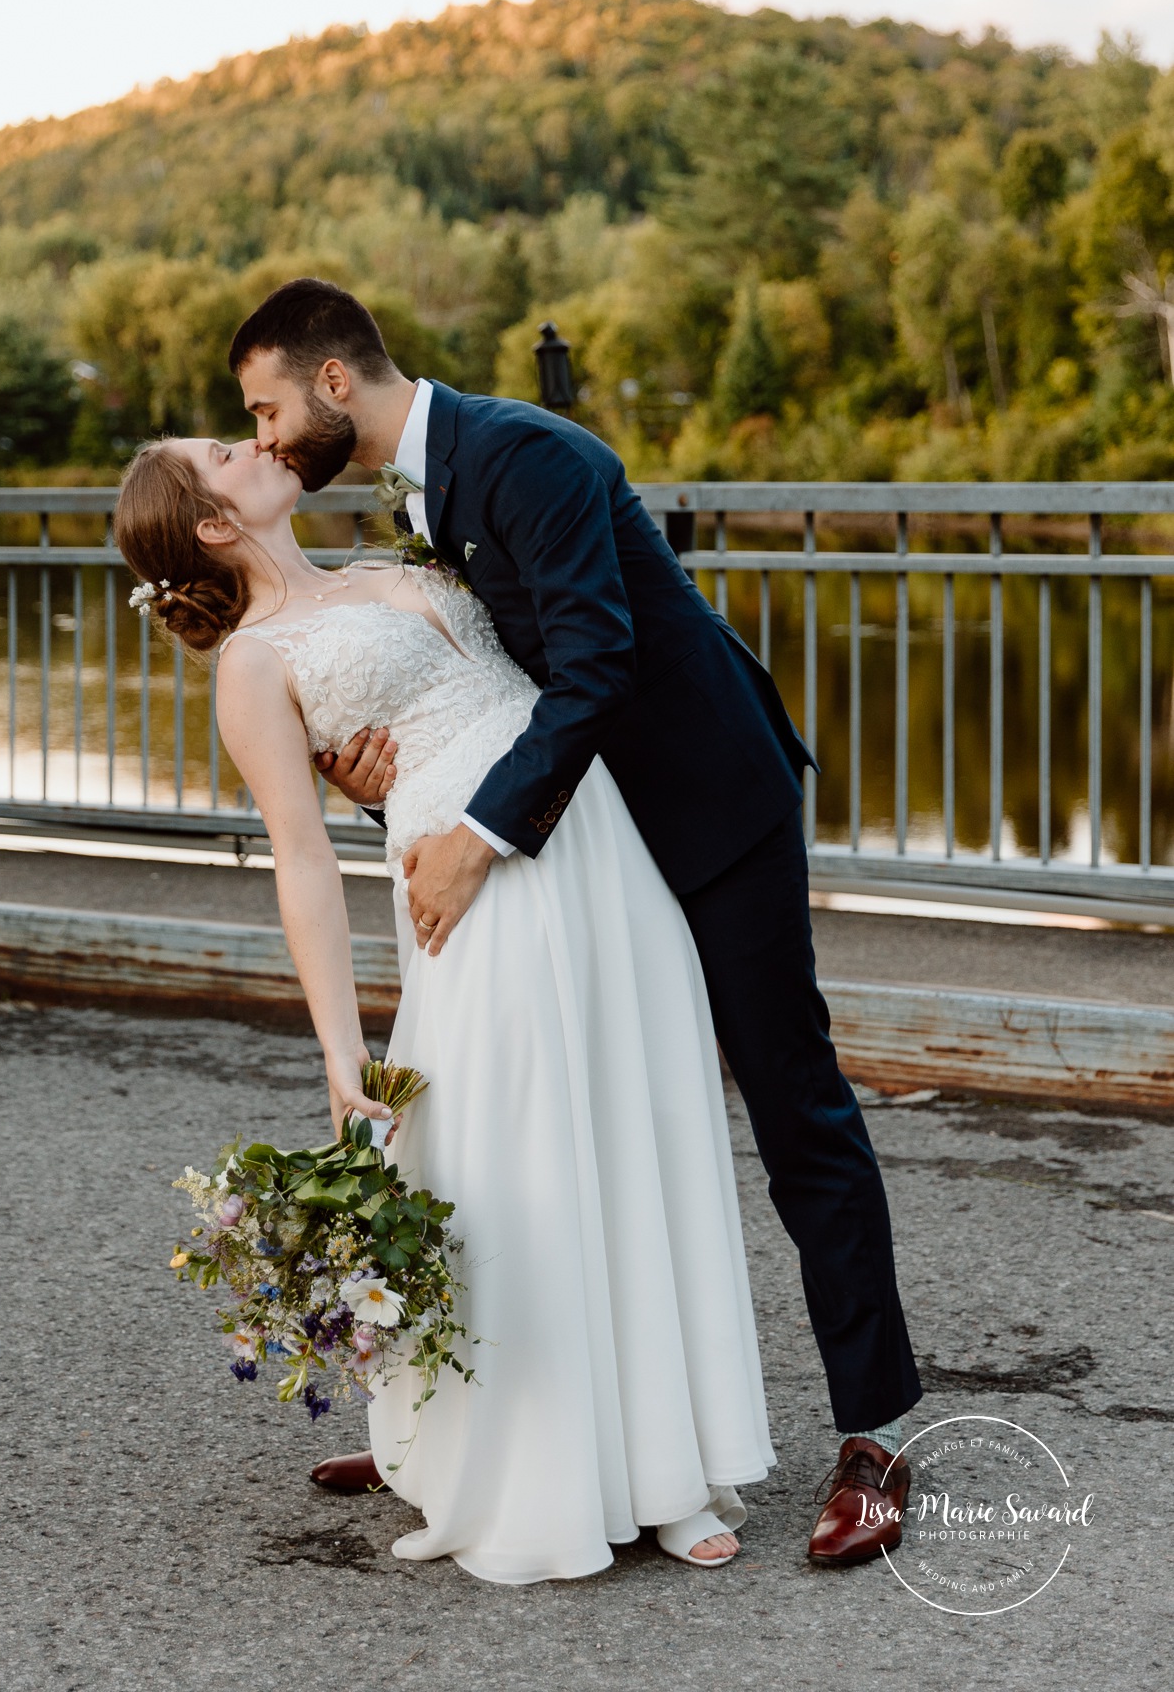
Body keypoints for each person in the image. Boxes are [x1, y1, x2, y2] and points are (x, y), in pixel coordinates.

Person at [228, 278, 920, 1570]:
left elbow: (596, 662)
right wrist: (381, 770)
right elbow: (488, 665)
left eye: (265, 409)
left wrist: (477, 836)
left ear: (333, 383)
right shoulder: (425, 491)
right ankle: (481, 1434)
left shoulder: (525, 452)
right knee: (557, 1122)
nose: (264, 439)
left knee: (791, 1104)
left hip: (704, 810)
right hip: (586, 833)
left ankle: (873, 1439)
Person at [116, 436, 774, 1583]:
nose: (255, 442)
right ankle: (554, 1466)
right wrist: (340, 1046)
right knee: (527, 1154)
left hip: (598, 840)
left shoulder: (398, 557)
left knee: (637, 1120)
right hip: (470, 890)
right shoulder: (254, 662)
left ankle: (673, 1465)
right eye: (224, 449)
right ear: (213, 522)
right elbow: (299, 858)